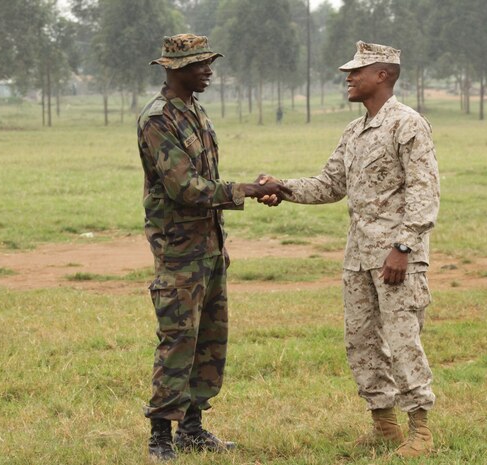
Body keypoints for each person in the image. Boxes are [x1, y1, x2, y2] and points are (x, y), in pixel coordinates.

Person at [259, 41, 440, 458]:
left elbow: (424, 191)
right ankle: (385, 426)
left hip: (397, 258)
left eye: (357, 71)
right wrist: (281, 188)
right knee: (360, 341)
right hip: (358, 258)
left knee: (402, 340)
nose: (349, 77)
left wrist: (403, 247)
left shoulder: (408, 125)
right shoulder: (355, 132)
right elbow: (330, 185)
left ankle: (421, 433)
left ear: (383, 75)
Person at [137, 33, 291, 461]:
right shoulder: (158, 120)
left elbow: (205, 182)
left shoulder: (195, 112)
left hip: (209, 247)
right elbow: (184, 188)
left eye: (209, 62)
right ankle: (160, 438)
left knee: (209, 341)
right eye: (198, 64)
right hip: (179, 251)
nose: (208, 70)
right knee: (177, 340)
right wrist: (246, 189)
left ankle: (191, 428)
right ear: (173, 68)